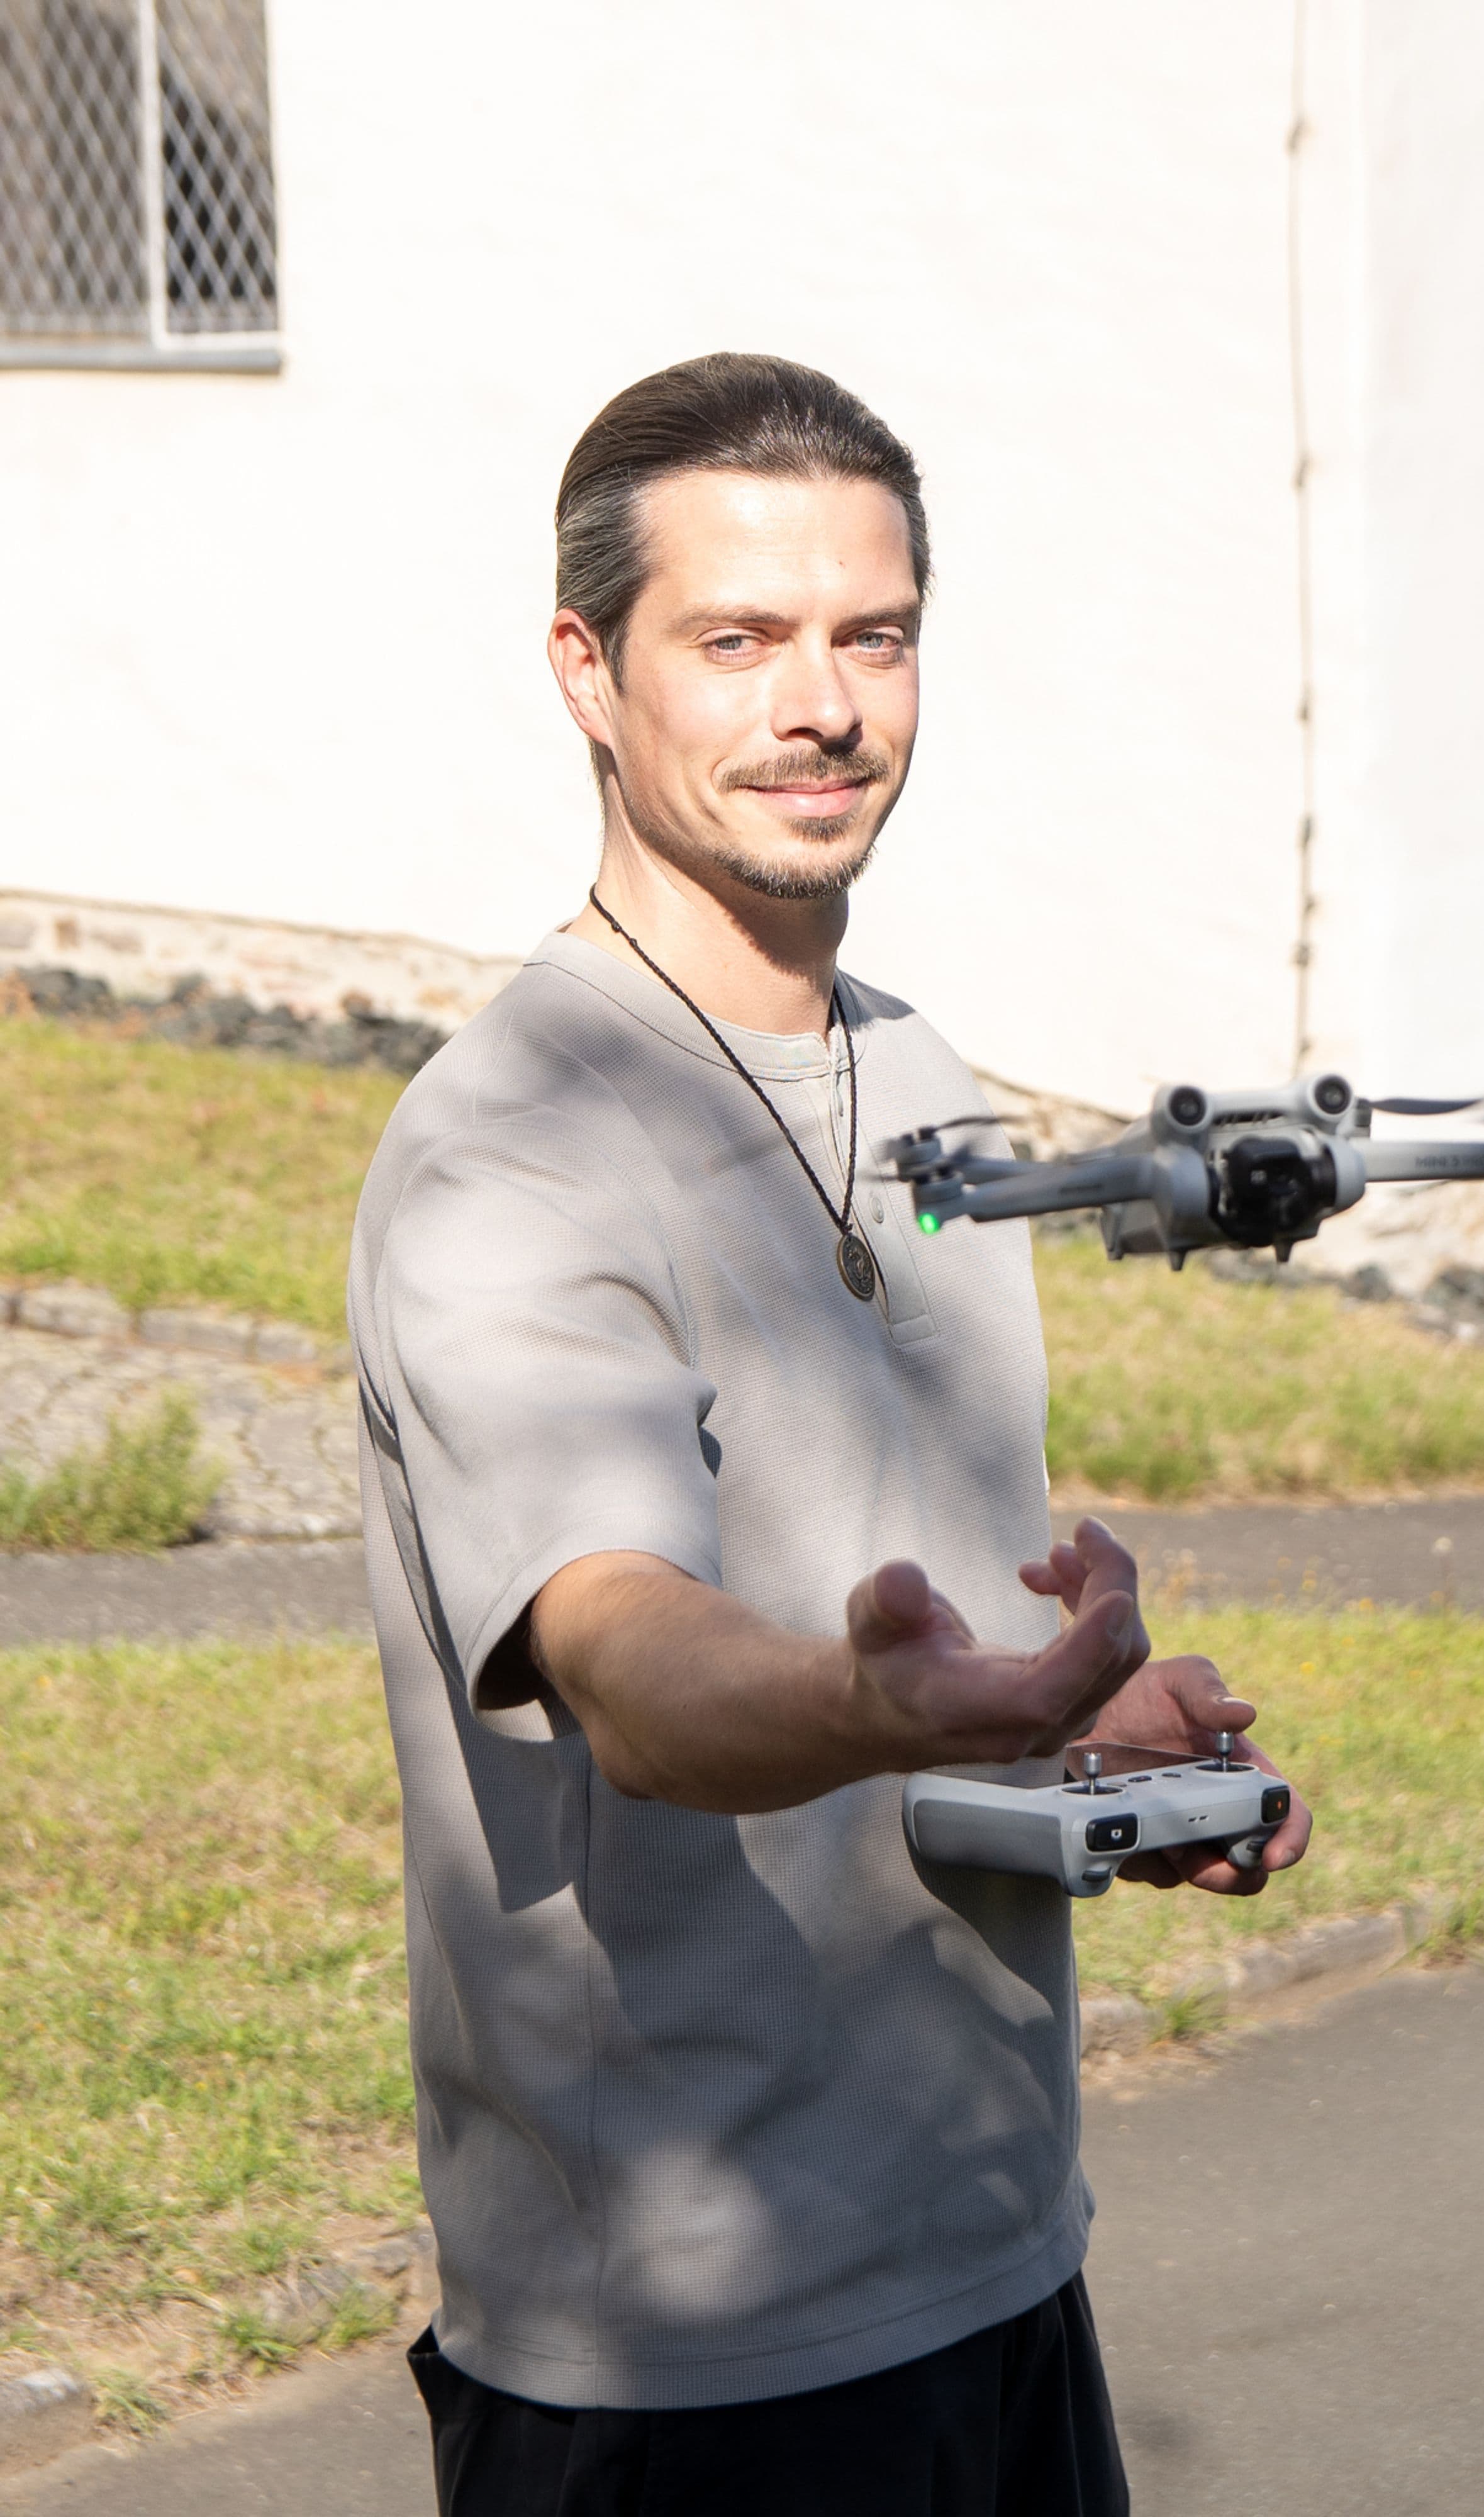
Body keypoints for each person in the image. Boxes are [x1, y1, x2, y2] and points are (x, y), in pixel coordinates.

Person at [349, 352, 1312, 2516]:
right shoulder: (519, 1148)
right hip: (692, 2353)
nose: (826, 706)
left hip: (993, 2242)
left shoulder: (928, 1076)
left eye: (872, 636)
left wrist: (1079, 1720)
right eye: (740, 640)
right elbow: (628, 1664)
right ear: (591, 675)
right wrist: (891, 1700)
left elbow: (894, 1592)